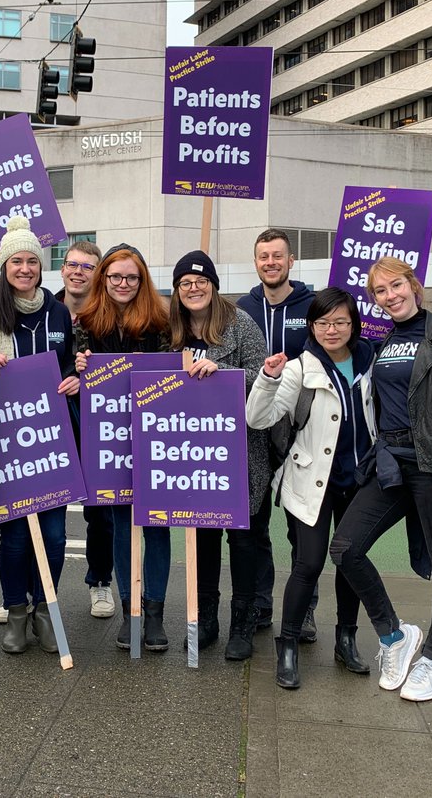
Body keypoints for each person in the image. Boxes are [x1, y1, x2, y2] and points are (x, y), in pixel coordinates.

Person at [329, 257, 432, 703]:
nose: (391, 296)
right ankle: (395, 636)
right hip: (390, 464)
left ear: (413, 285)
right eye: (380, 291)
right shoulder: (382, 341)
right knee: (345, 548)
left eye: (396, 285)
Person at [246, 287, 376, 688]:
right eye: (322, 322)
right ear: (312, 326)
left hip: (362, 481)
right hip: (313, 480)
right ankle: (287, 645)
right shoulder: (299, 369)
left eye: (339, 322)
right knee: (309, 563)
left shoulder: (371, 361)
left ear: (353, 324)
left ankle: (346, 639)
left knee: (350, 560)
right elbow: (258, 418)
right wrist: (268, 378)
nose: (331, 330)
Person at [0, 217, 79, 656]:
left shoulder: (58, 312)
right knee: (16, 537)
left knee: (54, 537)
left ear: (41, 266)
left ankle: (45, 611)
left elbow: (69, 361)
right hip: (5, 439)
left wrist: (75, 377)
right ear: (4, 266)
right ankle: (16, 611)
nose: (25, 268)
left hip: (51, 440)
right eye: (16, 261)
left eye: (32, 261)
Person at [168, 250, 269, 660]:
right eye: (185, 283)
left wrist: (223, 374)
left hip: (240, 452)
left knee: (244, 540)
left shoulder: (240, 323)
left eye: (201, 281)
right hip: (191, 454)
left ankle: (243, 620)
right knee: (202, 538)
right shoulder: (171, 330)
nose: (193, 288)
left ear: (213, 285)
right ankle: (205, 617)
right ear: (177, 290)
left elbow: (266, 378)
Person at [75, 243, 172, 650]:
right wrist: (79, 367)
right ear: (104, 278)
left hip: (154, 436)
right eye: (115, 276)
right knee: (119, 524)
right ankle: (130, 608)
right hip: (110, 440)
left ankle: (154, 614)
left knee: (157, 524)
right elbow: (75, 378)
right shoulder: (86, 322)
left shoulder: (161, 322)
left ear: (142, 280)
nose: (123, 283)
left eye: (132, 277)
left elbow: (172, 372)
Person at [236, 229, 318, 641]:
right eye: (263, 256)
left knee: (301, 527)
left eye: (277, 256)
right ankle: (261, 603)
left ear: (291, 261)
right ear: (256, 262)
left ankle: (304, 611)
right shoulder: (242, 308)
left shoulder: (312, 304)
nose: (270, 263)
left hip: (299, 427)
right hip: (253, 425)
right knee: (256, 524)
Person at [54, 240, 116, 622]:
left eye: (87, 267)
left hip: (97, 422)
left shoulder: (109, 317)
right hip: (50, 420)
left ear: (98, 274)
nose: (78, 272)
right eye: (72, 264)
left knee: (101, 510)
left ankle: (100, 580)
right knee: (46, 507)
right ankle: (30, 591)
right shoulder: (45, 311)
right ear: (62, 268)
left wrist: (87, 379)